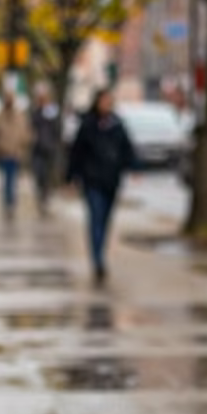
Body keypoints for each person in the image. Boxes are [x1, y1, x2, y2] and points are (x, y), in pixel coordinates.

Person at [67, 89, 136, 283]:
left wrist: (133, 166)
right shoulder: (88, 125)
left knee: (105, 220)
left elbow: (127, 149)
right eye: (103, 101)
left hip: (111, 180)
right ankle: (97, 259)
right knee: (96, 218)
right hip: (92, 180)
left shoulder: (118, 125)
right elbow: (76, 152)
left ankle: (100, 252)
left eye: (109, 101)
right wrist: (72, 177)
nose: (106, 104)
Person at [0, 91, 32, 217]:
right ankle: (8, 201)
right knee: (6, 178)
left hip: (16, 153)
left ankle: (11, 200)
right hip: (3, 152)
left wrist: (24, 143)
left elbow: (26, 132)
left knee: (12, 179)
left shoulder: (19, 116)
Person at [30, 86, 60, 215]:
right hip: (37, 149)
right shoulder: (35, 112)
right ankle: (41, 195)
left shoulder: (52, 111)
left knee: (46, 175)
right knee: (38, 174)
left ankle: (45, 196)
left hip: (49, 149)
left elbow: (57, 128)